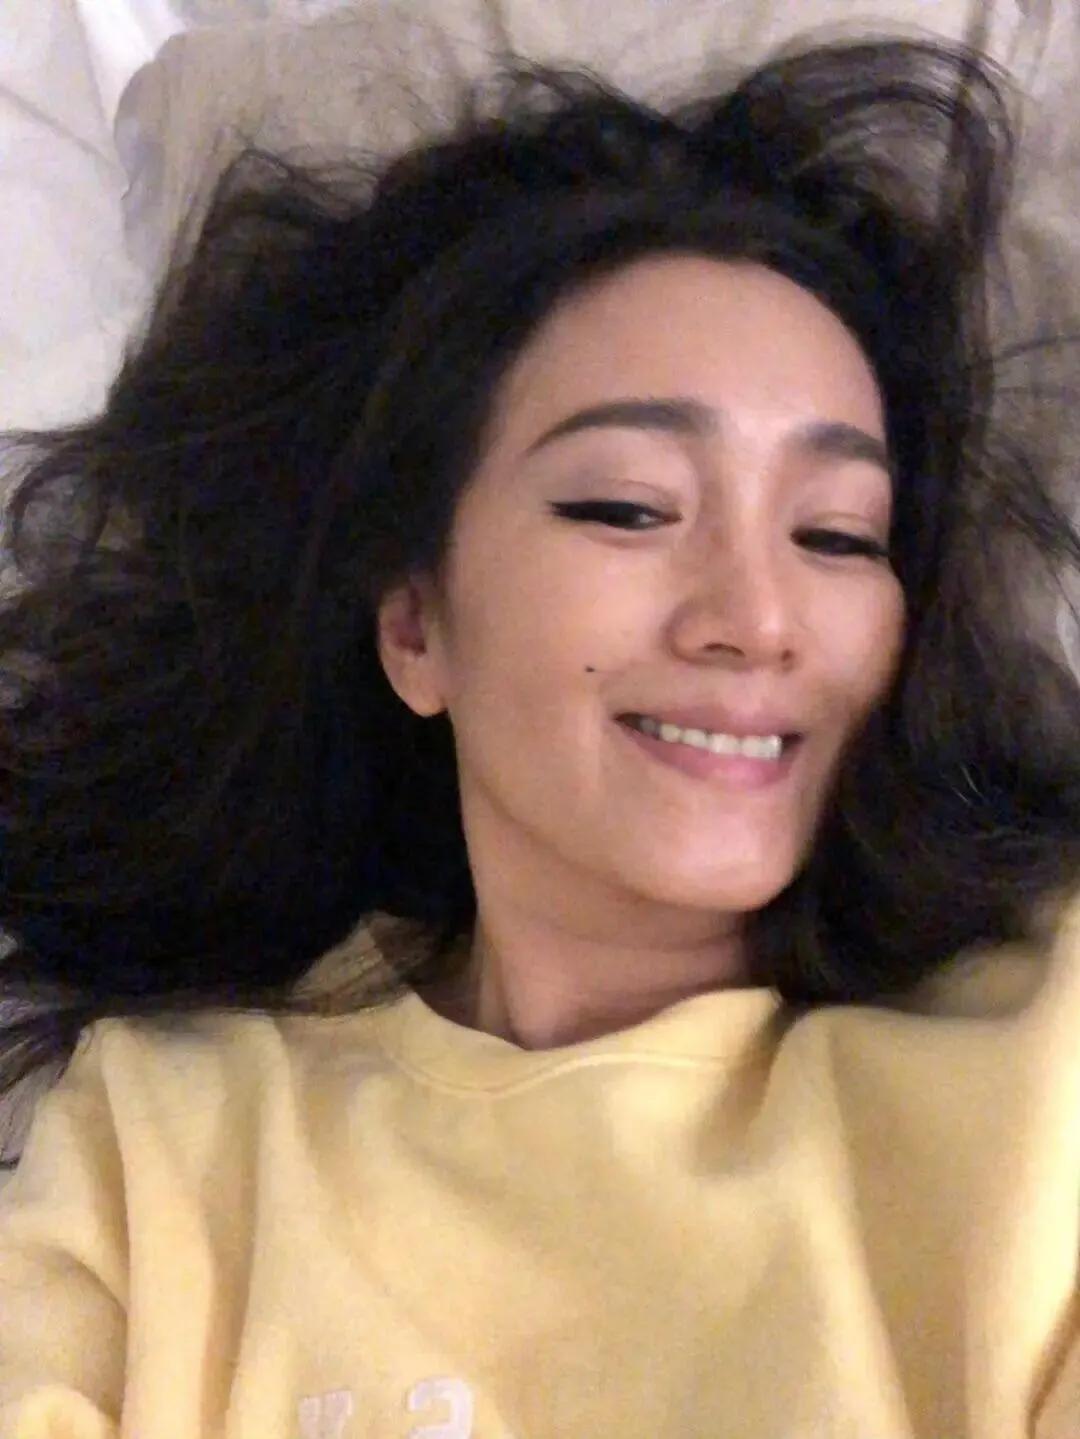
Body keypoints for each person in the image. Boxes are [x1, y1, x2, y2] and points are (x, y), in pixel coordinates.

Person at [1, 26, 1079, 1439]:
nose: (757, 618)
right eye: (627, 507)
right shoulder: (158, 1153)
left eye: (835, 533)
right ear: (415, 627)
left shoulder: (1045, 1062)